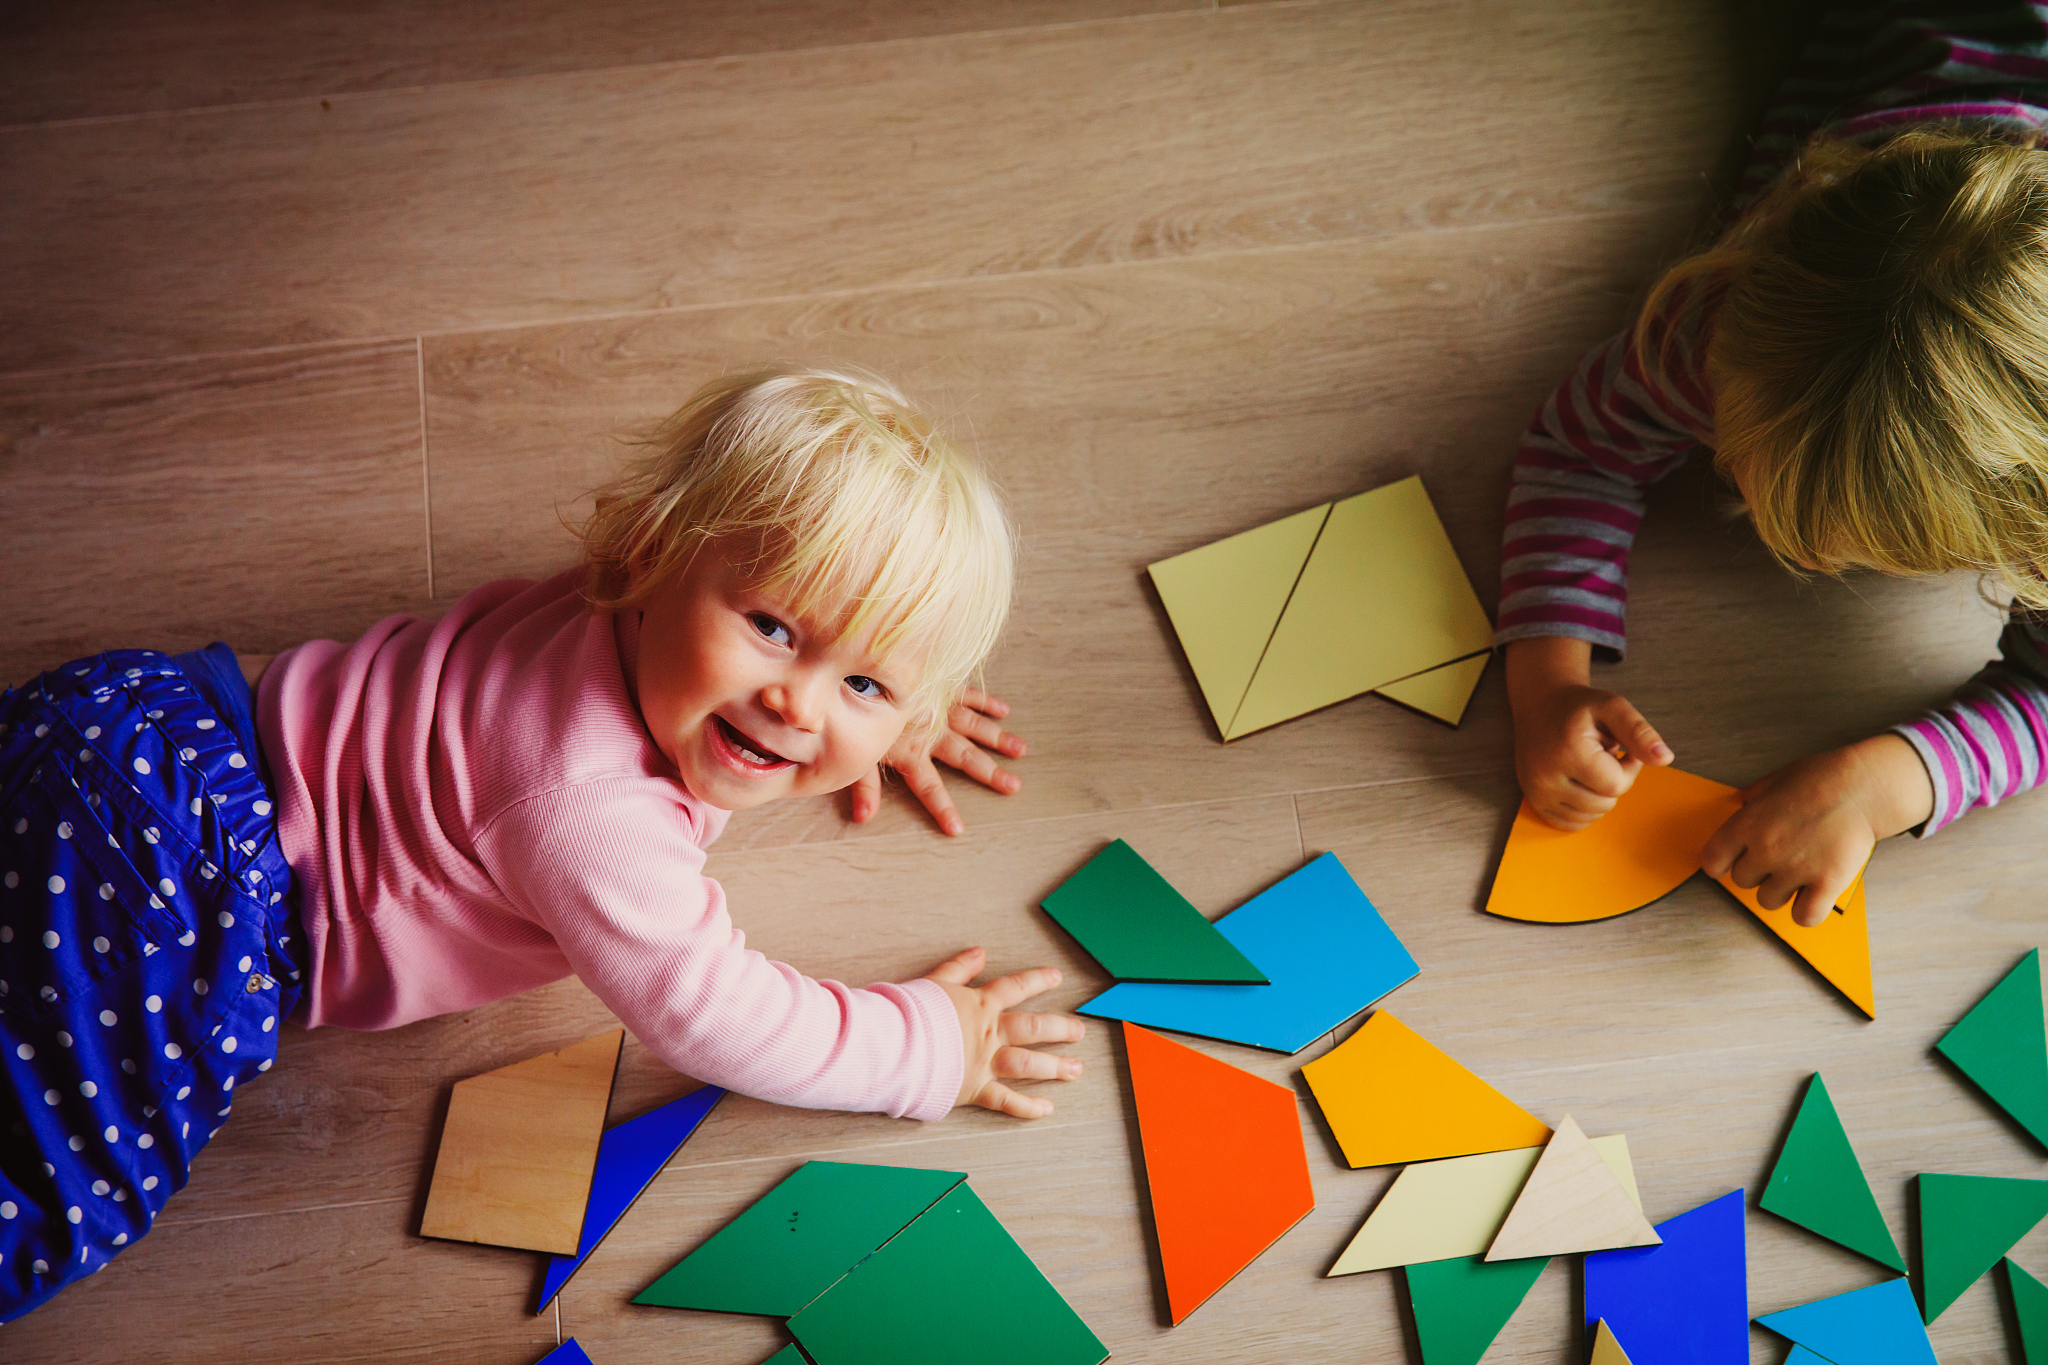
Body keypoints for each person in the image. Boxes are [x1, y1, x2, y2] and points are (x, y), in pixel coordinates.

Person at [0, 366, 1082, 1321]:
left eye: (862, 682)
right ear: (653, 559)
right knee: (57, 1202)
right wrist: (929, 1045)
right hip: (194, 897)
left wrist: (899, 714)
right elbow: (720, 1017)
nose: (798, 706)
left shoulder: (624, 602)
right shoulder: (589, 812)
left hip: (137, 718)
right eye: (773, 630)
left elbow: (798, 654)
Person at [1499, 3, 2048, 928]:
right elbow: (1578, 450)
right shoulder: (1713, 327)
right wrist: (1546, 676)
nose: (1773, 537)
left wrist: (1889, 781)